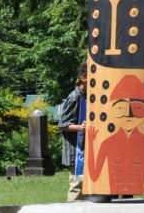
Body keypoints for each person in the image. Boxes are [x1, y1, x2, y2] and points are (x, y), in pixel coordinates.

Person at [59, 64, 88, 201]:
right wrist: (80, 128)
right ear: (84, 78)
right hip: (75, 151)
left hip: (86, 149)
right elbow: (63, 124)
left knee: (88, 187)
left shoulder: (89, 97)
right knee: (77, 186)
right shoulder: (74, 97)